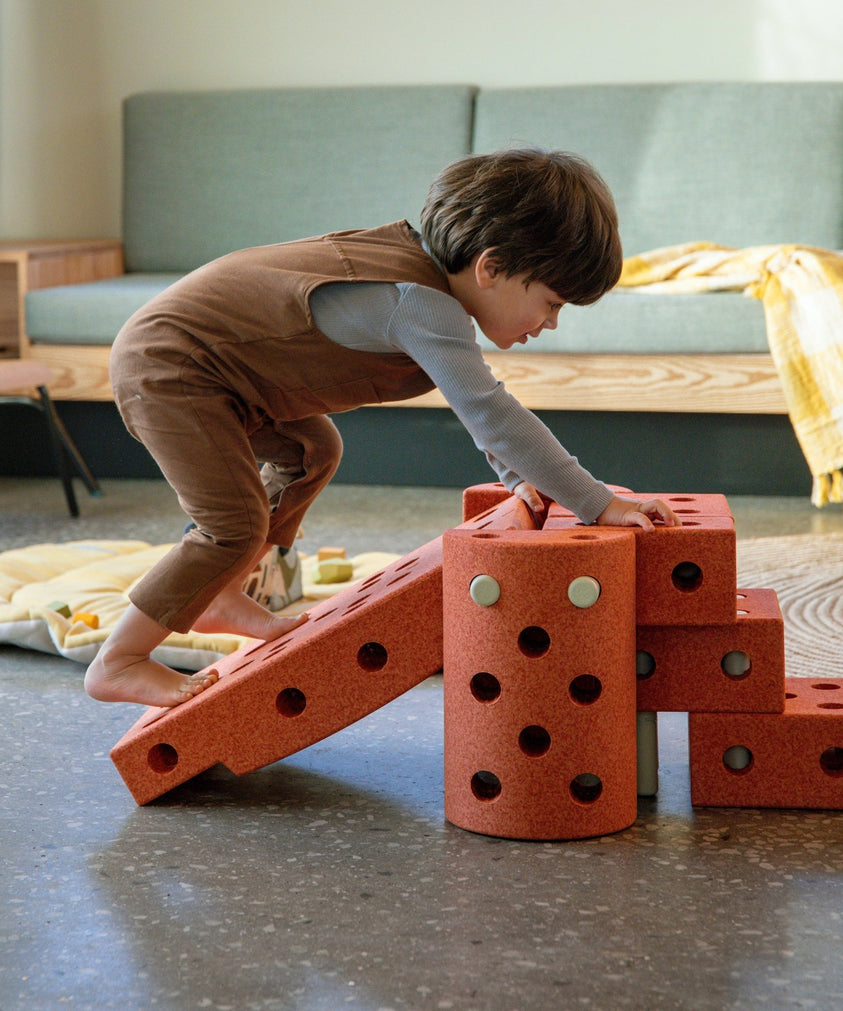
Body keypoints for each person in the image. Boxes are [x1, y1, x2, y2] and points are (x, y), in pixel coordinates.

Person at [85, 148, 680, 709]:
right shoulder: (419, 304)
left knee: (312, 450)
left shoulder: (426, 287)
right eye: (551, 303)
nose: (551, 324)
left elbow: (480, 412)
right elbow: (493, 414)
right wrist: (597, 503)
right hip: (171, 367)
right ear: (491, 267)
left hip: (221, 374)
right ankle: (119, 659)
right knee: (233, 524)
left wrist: (516, 479)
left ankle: (219, 592)